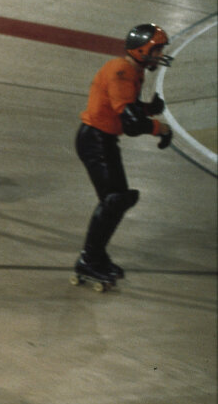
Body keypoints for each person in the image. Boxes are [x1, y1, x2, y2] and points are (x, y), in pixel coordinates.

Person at [74, 23, 173, 286]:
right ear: (141, 50)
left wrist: (148, 109)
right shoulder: (122, 71)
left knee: (115, 201)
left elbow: (128, 107)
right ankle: (89, 259)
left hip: (102, 139)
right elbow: (131, 124)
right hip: (95, 140)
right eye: (157, 49)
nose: (160, 55)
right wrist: (159, 128)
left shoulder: (133, 71)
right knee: (114, 200)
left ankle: (96, 255)